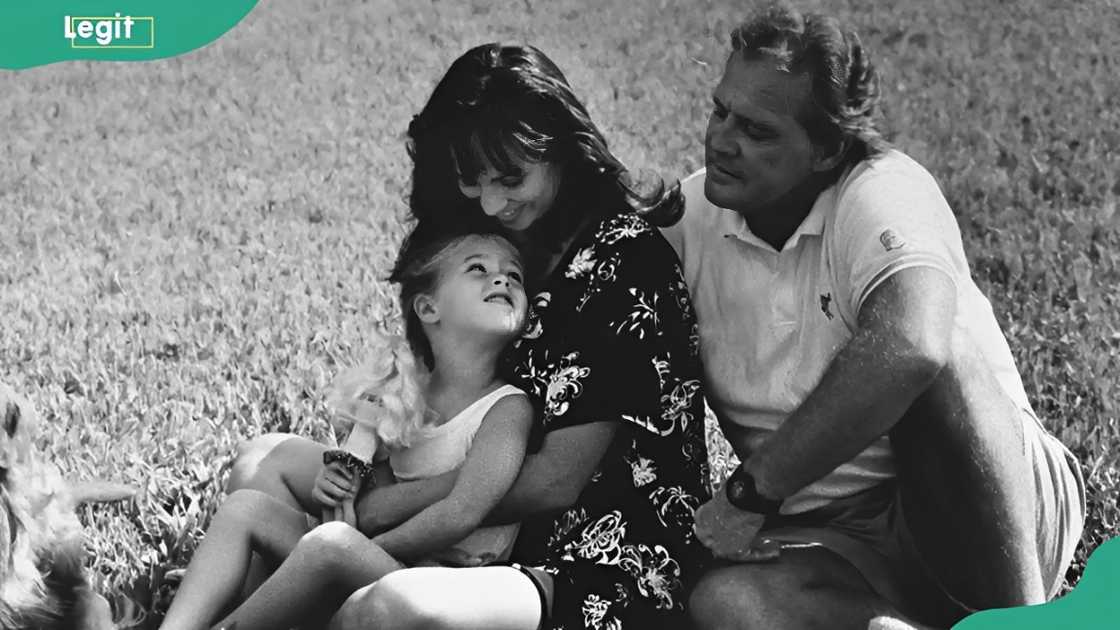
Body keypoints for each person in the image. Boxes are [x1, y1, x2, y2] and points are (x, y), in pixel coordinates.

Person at [229, 43, 711, 630]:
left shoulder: (623, 263)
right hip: (476, 525)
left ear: (561, 145)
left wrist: (382, 509)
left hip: (589, 558)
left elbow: (554, 483)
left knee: (385, 607)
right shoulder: (501, 245)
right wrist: (363, 462)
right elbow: (431, 379)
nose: (491, 202)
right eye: (470, 179)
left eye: (510, 178)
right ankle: (259, 608)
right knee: (261, 462)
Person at [661, 3, 1087, 628]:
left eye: (757, 131)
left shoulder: (881, 188)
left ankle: (1027, 622)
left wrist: (748, 493)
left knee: (931, 355)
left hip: (988, 514)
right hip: (837, 539)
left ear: (828, 149)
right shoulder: (691, 216)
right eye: (719, 111)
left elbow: (915, 345)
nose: (722, 140)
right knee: (729, 603)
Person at [160, 230, 534, 630]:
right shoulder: (404, 391)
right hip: (379, 559)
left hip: (438, 585)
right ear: (428, 308)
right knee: (244, 507)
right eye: (479, 269)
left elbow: (461, 513)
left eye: (515, 276)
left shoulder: (507, 408)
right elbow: (381, 482)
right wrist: (337, 488)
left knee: (329, 543)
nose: (503, 280)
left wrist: (355, 546)